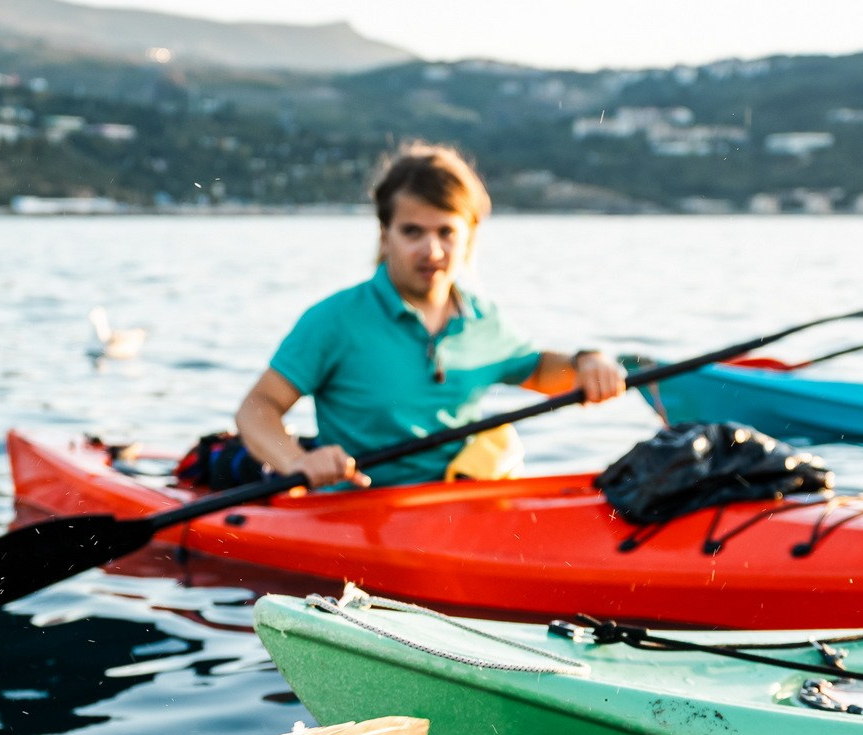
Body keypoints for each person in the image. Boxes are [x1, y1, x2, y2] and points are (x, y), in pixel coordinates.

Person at [233, 143, 626, 489]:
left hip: (453, 504)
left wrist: (587, 362)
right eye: (412, 232)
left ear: (469, 236)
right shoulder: (335, 320)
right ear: (385, 235)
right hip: (356, 510)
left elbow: (538, 371)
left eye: (446, 232)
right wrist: (297, 461)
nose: (432, 251)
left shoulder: (482, 319)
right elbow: (257, 408)